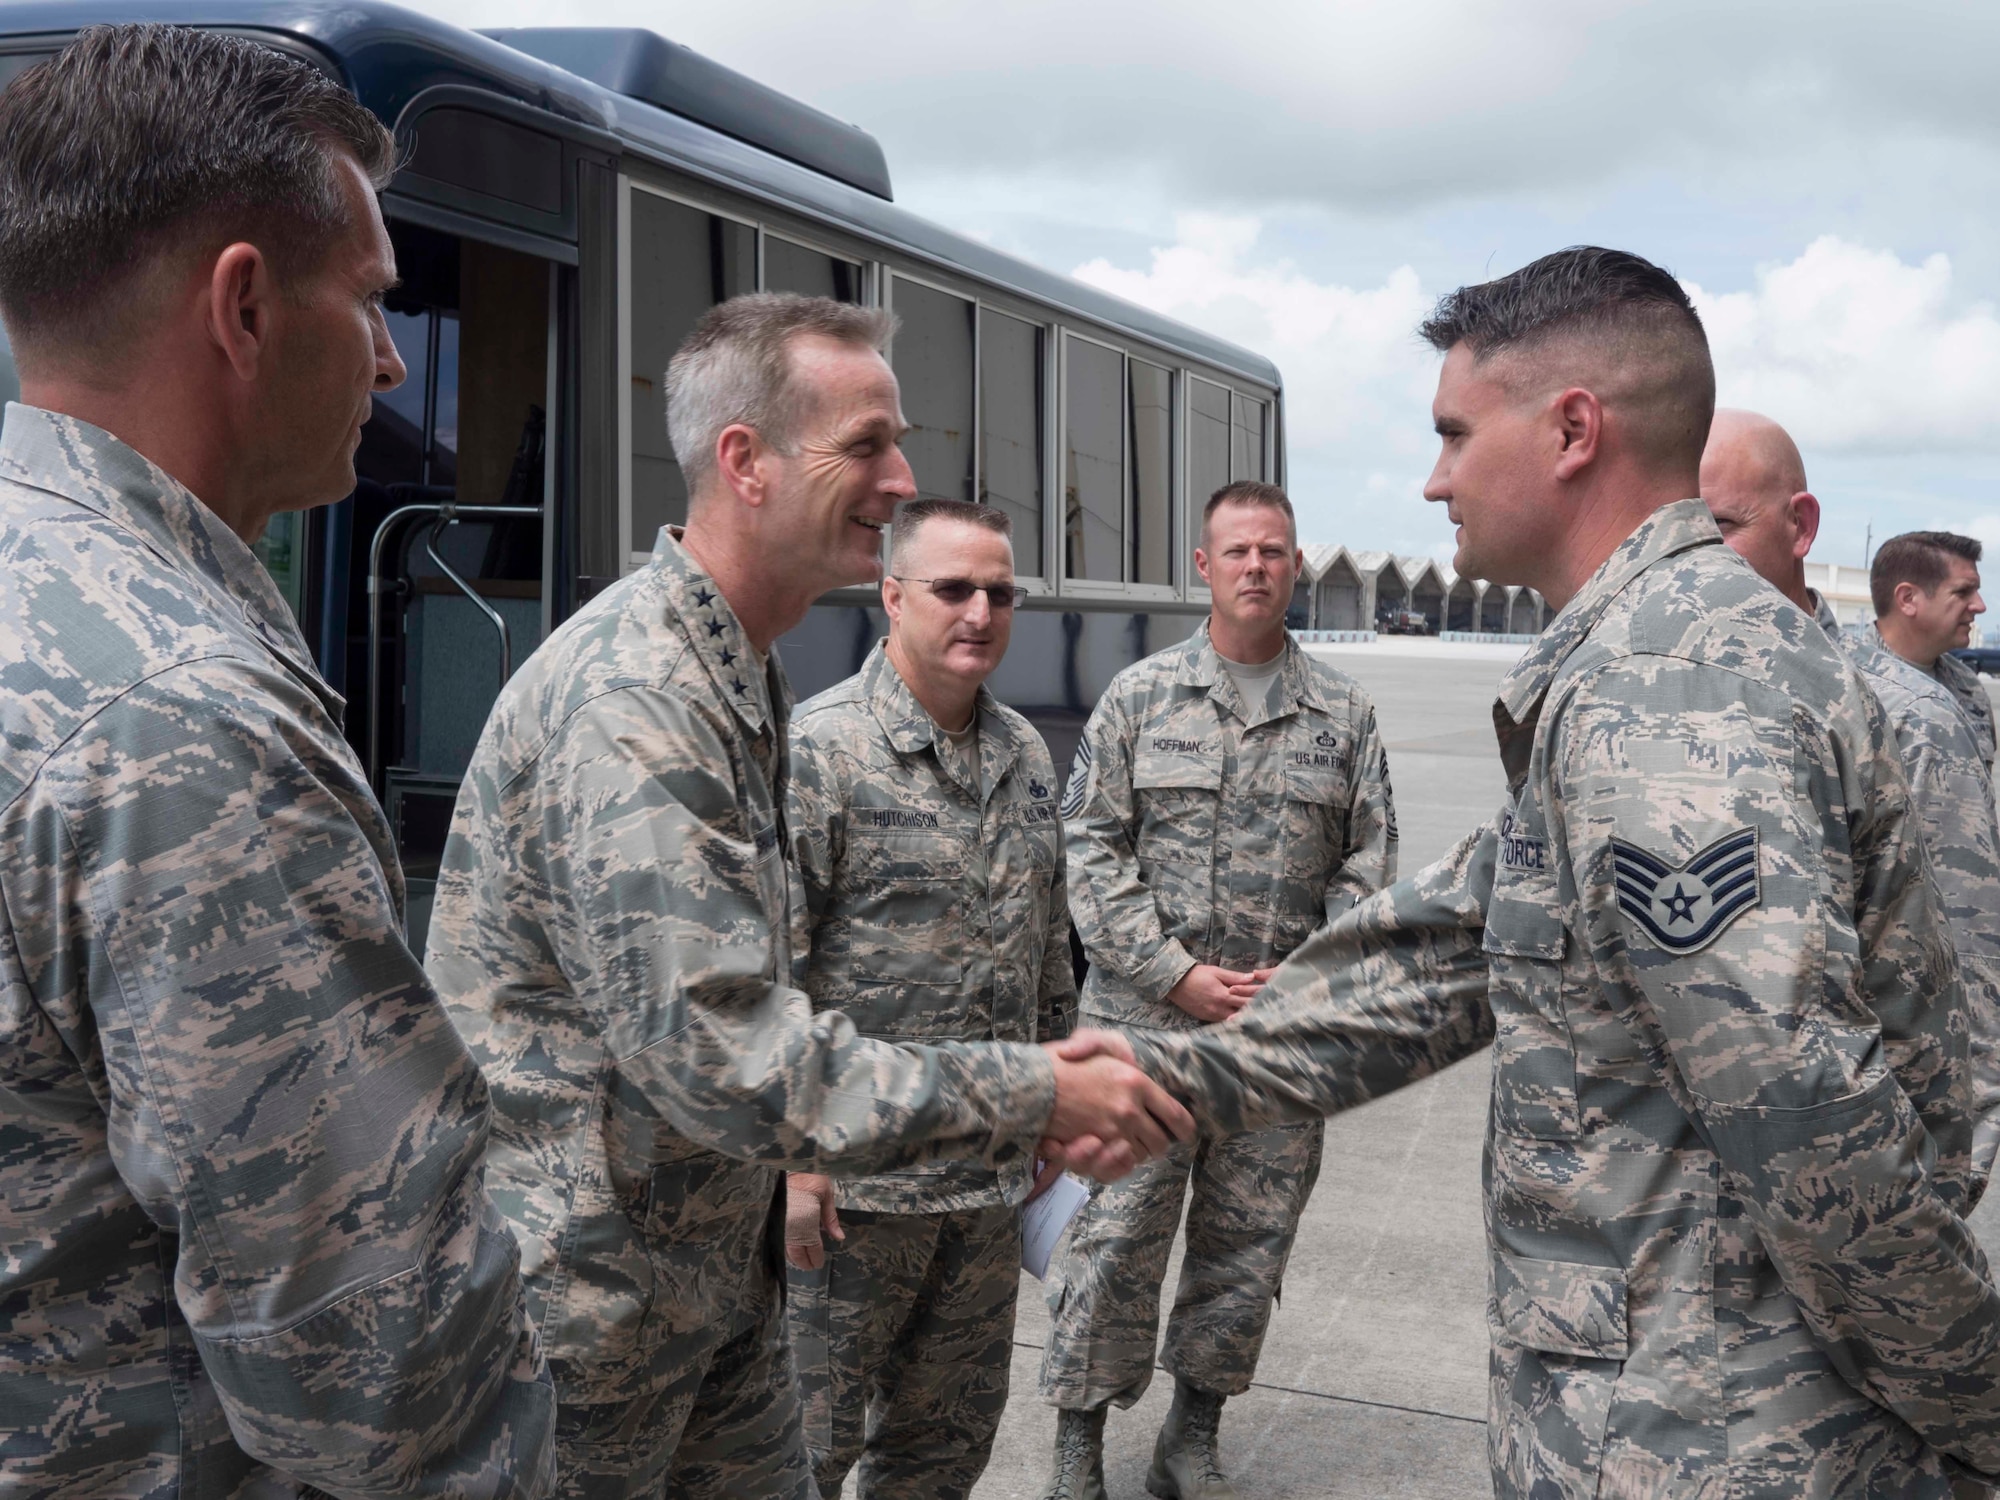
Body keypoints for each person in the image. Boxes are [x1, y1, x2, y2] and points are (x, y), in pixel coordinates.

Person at [1081, 247, 1999, 1496]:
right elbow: (1444, 951)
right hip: (1675, 1409)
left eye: (1456, 433)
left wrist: (1972, 1403)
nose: (1432, 476)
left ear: (1570, 431)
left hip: (1714, 1436)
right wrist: (1145, 1076)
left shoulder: (1668, 689)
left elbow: (1805, 1115)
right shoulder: (1635, 664)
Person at [425, 292, 1193, 1498]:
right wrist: (1035, 1088)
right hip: (593, 1304)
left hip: (703, 1271)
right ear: (746, 462)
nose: (899, 479)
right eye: (866, 445)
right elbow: (723, 1051)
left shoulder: (732, 674)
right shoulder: (640, 700)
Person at [0, 25, 555, 1498]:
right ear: (243, 307)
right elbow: (375, 1385)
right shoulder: (184, 715)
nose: (388, 360)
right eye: (372, 301)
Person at [1037, 481, 1397, 1500]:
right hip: (1141, 1036)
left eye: (1273, 552)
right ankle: (1076, 1442)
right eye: (1235, 550)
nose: (1254, 567)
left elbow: (1368, 865)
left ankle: (1191, 1435)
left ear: (1292, 567)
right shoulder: (1139, 700)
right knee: (1108, 1240)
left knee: (1246, 1246)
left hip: (1275, 1046)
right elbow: (1089, 848)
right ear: (1203, 566)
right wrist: (1174, 974)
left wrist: (1308, 973)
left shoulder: (1344, 713)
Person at [781, 498, 1075, 1499]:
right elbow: (766, 979)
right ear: (891, 595)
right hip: (853, 1200)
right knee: (802, 1458)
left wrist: (1051, 1111)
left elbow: (1044, 962)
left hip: (986, 1193)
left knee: (942, 1455)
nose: (980, 612)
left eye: (1000, 593)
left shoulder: (1025, 758)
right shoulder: (819, 753)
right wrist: (791, 1162)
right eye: (953, 589)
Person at [1846, 531, 2000, 1189]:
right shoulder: (1850, 685)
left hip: (1965, 941)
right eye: (1964, 591)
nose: (1981, 606)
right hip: (1903, 956)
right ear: (1908, 599)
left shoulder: (1961, 687)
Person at [1698, 407, 1839, 632]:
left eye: (1719, 523)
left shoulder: (1850, 668)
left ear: (1801, 526)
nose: (1684, 550)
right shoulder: (1639, 661)